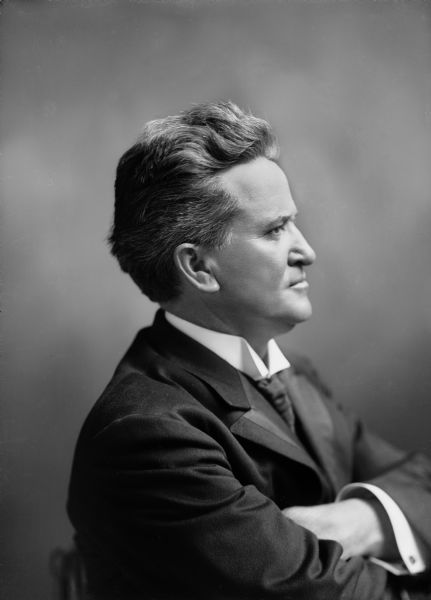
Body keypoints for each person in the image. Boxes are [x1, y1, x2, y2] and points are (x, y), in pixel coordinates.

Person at [67, 101, 431, 599]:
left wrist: (365, 517)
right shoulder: (146, 434)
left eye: (293, 224)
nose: (307, 251)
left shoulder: (292, 375)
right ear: (199, 267)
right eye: (275, 229)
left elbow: (422, 478)